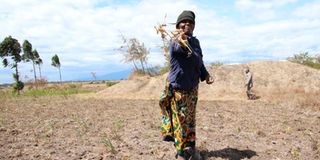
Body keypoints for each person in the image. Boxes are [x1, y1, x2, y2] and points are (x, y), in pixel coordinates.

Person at [159, 10, 214, 160]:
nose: (187, 24)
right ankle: (181, 154)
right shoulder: (176, 40)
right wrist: (181, 38)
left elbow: (199, 62)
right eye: (184, 22)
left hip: (192, 89)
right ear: (178, 25)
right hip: (178, 90)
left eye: (190, 22)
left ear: (194, 26)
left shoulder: (196, 42)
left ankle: (191, 149)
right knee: (180, 123)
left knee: (190, 121)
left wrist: (206, 75)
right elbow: (180, 48)